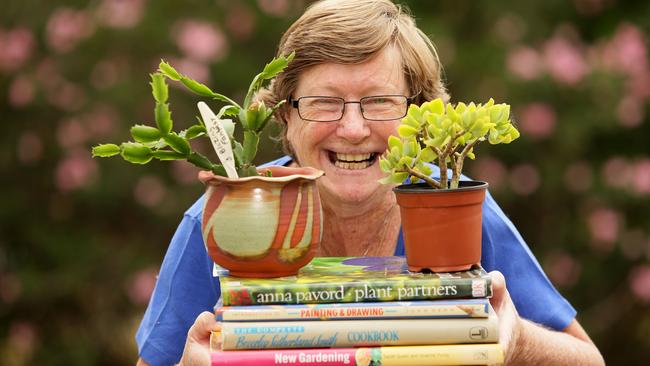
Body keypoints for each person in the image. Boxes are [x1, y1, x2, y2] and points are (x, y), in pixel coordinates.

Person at [136, 0, 605, 365]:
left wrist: (517, 340)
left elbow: (588, 358)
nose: (354, 129)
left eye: (379, 101)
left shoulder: (456, 205)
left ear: (420, 115)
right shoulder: (225, 217)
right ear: (284, 115)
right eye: (324, 102)